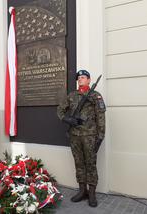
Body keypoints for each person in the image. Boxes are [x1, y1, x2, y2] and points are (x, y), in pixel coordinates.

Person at [57, 70, 106, 207]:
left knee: (90, 164)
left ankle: (91, 194)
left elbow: (101, 118)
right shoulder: (72, 96)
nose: (80, 79)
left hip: (90, 136)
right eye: (79, 77)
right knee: (79, 163)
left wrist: (101, 136)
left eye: (83, 77)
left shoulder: (96, 96)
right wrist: (67, 119)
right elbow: (60, 110)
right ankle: (82, 191)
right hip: (74, 136)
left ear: (89, 80)